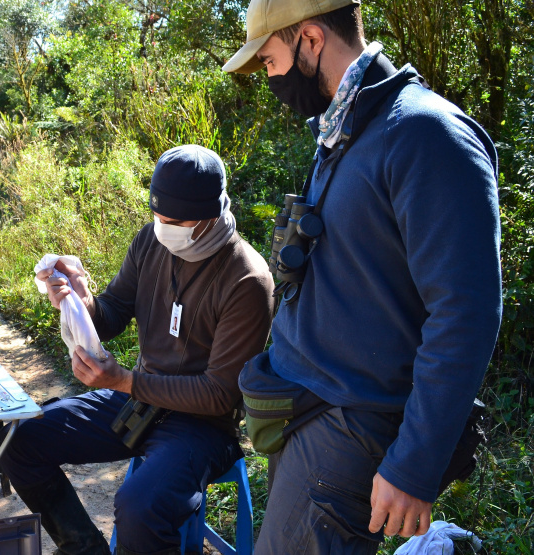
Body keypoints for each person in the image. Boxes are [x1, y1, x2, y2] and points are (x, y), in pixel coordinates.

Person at [222, 1, 502, 553]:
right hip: (307, 415)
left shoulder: (425, 133)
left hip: (350, 430)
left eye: (271, 61)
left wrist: (414, 464)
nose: (270, 79)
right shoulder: (345, 130)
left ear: (310, 39)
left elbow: (465, 312)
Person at [0, 144, 274, 555]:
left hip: (202, 426)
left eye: (176, 221)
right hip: (139, 403)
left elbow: (219, 394)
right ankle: (85, 549)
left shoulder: (247, 279)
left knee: (141, 508)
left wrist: (124, 381)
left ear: (212, 214)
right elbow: (111, 314)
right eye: (158, 217)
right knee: (21, 440)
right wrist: (81, 299)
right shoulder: (151, 240)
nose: (164, 228)